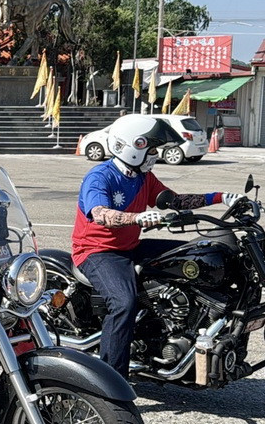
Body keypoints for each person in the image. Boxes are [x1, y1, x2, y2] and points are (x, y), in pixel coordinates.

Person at [71, 114, 244, 379]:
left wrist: (220, 197)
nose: (154, 154)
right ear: (131, 146)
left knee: (196, 258)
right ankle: (110, 377)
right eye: (150, 148)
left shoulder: (143, 177)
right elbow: (99, 213)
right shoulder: (100, 177)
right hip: (97, 251)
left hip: (131, 245)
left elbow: (175, 200)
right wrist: (136, 218)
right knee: (123, 304)